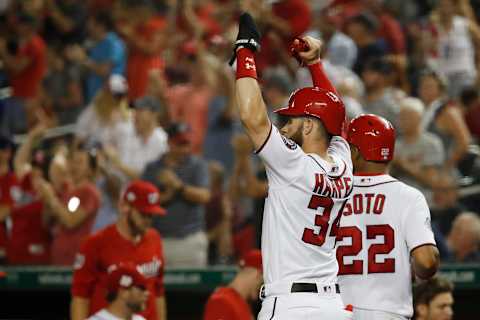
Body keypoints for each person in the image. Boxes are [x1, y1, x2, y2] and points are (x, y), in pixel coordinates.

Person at [231, 13, 353, 319]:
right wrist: (315, 65)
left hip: (291, 305)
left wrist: (244, 53)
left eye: (292, 120)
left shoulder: (293, 163)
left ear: (311, 126)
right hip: (333, 306)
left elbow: (252, 116)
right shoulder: (343, 162)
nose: (284, 127)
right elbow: (338, 120)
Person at [336, 114, 440, 320]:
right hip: (388, 311)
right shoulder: (409, 196)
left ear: (355, 152)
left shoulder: (333, 194)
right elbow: (427, 262)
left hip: (337, 309)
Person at [71, 180, 167, 320]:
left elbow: (158, 292)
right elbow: (80, 296)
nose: (147, 220)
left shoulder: (154, 239)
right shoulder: (95, 243)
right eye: (143, 214)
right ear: (124, 207)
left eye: (151, 215)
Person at [142, 122, 211, 267]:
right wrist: (167, 195)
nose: (184, 149)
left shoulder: (197, 166)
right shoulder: (153, 168)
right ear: (169, 142)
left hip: (190, 241)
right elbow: (143, 203)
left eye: (187, 144)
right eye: (180, 144)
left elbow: (204, 196)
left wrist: (177, 186)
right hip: (159, 240)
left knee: (194, 289)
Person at [203, 249, 263, 320]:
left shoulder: (244, 305)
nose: (261, 288)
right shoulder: (221, 301)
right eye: (262, 282)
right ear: (258, 274)